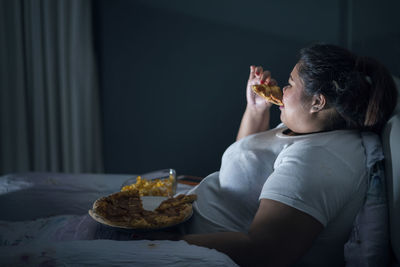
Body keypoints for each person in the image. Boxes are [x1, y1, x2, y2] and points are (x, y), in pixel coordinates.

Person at [137, 43, 398, 266]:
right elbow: (244, 165)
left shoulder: (318, 160)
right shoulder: (307, 127)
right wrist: (256, 110)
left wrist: (168, 243)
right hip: (179, 220)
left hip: (190, 248)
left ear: (318, 102)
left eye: (291, 83)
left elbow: (265, 250)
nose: (283, 89)